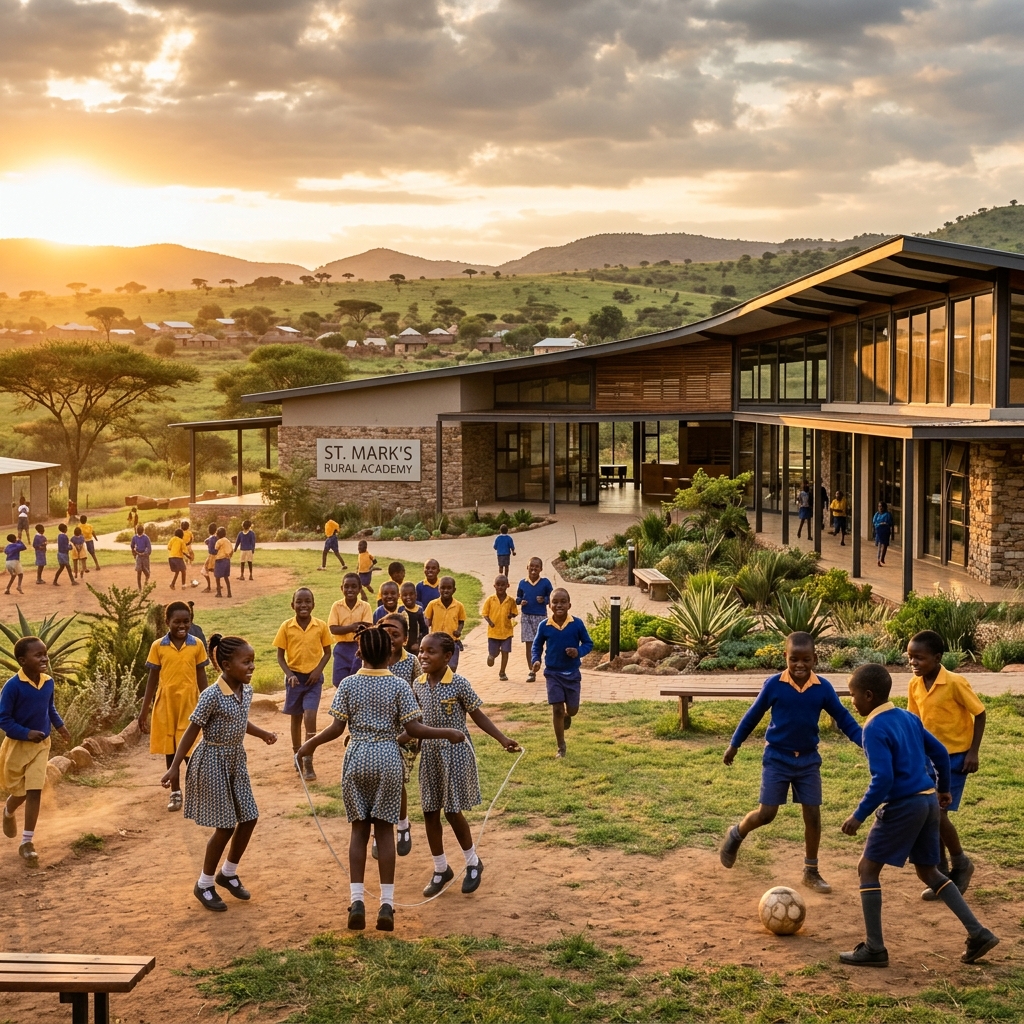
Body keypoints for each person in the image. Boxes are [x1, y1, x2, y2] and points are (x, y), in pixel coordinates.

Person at [296, 624, 464, 932]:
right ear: (389, 652)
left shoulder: (347, 685)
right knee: (385, 832)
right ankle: (387, 905)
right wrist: (449, 732)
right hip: (388, 758)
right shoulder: (400, 685)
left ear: (359, 652)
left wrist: (309, 744)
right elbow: (414, 729)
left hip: (357, 757)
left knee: (359, 832)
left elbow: (335, 729)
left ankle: (357, 900)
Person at [839, 663, 998, 967]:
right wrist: (943, 791)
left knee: (867, 870)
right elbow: (939, 752)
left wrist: (859, 815)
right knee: (930, 872)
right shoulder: (908, 717)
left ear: (869, 695)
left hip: (902, 806)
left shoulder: (873, 728)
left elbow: (883, 779)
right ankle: (978, 933)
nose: (853, 701)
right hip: (927, 802)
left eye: (854, 695)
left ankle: (874, 948)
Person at [720, 631, 863, 893]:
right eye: (793, 659)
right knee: (767, 814)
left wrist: (865, 742)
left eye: (806, 659)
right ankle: (736, 833)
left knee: (813, 815)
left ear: (815, 659)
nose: (800, 665)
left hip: (808, 760)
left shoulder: (823, 688)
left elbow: (844, 718)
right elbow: (752, 716)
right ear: (785, 657)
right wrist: (734, 744)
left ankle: (811, 870)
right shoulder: (774, 685)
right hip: (777, 757)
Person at [163, 634, 277, 911]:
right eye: (246, 662)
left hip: (236, 760)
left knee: (249, 817)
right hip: (212, 760)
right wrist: (175, 765)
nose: (252, 667)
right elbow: (192, 730)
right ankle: (204, 884)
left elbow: (240, 720)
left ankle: (228, 872)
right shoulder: (211, 695)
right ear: (226, 665)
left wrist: (262, 734)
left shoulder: (246, 691)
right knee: (225, 825)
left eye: (253, 661)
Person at [412, 632, 520, 897]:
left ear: (447, 657)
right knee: (428, 811)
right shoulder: (417, 684)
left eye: (431, 652)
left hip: (455, 754)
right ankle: (440, 869)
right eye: (421, 651)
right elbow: (413, 724)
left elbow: (478, 715)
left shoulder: (458, 684)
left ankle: (472, 862)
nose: (423, 656)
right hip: (430, 754)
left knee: (452, 810)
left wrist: (502, 739)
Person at [906, 630, 986, 901]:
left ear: (938, 658)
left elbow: (980, 713)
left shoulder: (954, 683)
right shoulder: (914, 685)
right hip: (927, 758)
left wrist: (973, 752)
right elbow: (915, 723)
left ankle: (961, 863)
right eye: (910, 658)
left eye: (920, 658)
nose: (914, 663)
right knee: (931, 815)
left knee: (938, 814)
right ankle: (940, 875)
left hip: (954, 759)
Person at [0, 636, 71, 867]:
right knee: (19, 791)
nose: (44, 658)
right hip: (18, 746)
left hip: (42, 745)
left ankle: (27, 843)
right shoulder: (12, 687)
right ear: (22, 660)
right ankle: (9, 811)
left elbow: (49, 708)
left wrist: (60, 727)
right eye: (38, 655)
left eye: (45, 654)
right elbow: (3, 718)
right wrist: (25, 732)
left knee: (34, 790)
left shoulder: (48, 682)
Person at [138, 601, 210, 812]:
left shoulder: (196, 644)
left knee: (191, 749)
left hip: (190, 702)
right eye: (176, 622)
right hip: (167, 702)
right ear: (167, 622)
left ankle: (197, 791)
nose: (182, 626)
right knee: (171, 749)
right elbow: (152, 679)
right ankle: (175, 793)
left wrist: (207, 702)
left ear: (191, 621)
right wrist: (144, 710)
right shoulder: (158, 646)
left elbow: (201, 675)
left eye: (186, 621)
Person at [274, 587, 332, 783]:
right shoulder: (286, 626)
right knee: (296, 718)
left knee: (310, 715)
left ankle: (308, 759)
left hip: (313, 680)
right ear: (293, 605)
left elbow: (327, 652)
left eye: (307, 601)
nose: (303, 605)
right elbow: (280, 656)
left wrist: (317, 671)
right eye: (299, 602)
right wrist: (289, 674)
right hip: (295, 680)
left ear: (313, 605)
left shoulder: (321, 626)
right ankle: (297, 754)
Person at [531, 588, 593, 759]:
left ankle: (568, 715)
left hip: (572, 673)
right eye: (555, 602)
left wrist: (578, 651)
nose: (559, 605)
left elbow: (588, 643)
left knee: (572, 710)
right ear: (549, 605)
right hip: (553, 673)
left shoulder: (577, 624)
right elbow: (536, 646)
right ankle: (561, 746)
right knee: (557, 708)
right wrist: (536, 660)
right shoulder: (544, 626)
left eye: (563, 601)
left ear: (569, 604)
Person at [328, 573, 374, 685]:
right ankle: (344, 700)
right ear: (341, 588)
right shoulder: (336, 606)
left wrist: (345, 628)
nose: (350, 589)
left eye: (354, 586)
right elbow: (333, 629)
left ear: (359, 589)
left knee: (357, 679)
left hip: (359, 647)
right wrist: (353, 627)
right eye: (346, 586)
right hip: (341, 648)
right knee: (338, 681)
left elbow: (367, 627)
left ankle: (356, 701)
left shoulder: (365, 606)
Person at [517, 557, 553, 683]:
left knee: (542, 643)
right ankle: (531, 671)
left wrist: (545, 600)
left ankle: (546, 665)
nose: (533, 569)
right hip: (526, 616)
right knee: (529, 643)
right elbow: (518, 597)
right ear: (527, 567)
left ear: (541, 569)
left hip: (540, 617)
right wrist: (520, 602)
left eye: (536, 567)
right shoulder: (522, 583)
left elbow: (552, 596)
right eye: (531, 566)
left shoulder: (545, 583)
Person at [423, 576, 466, 671]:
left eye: (449, 588)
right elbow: (427, 617)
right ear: (439, 589)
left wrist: (459, 630)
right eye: (443, 588)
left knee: (452, 666)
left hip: (452, 641)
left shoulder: (459, 606)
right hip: (436, 641)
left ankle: (450, 682)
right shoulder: (433, 604)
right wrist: (427, 622)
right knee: (436, 665)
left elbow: (461, 621)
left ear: (454, 590)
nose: (445, 590)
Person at [482, 574, 517, 681]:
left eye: (503, 585)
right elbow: (485, 613)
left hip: (507, 631)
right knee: (494, 653)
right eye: (498, 585)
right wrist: (490, 622)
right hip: (494, 633)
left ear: (508, 586)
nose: (500, 587)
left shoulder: (510, 600)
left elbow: (515, 612)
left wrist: (511, 615)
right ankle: (491, 656)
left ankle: (502, 672)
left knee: (505, 652)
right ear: (494, 586)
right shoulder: (490, 600)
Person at [399, 581, 428, 654]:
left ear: (416, 595)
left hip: (415, 648)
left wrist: (418, 643)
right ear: (400, 597)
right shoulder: (400, 610)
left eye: (411, 594)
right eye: (405, 595)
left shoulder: (419, 611)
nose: (408, 597)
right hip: (403, 647)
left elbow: (424, 630)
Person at [213, 526, 233, 598]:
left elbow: (215, 550)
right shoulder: (228, 541)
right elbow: (232, 550)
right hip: (227, 560)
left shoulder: (219, 541)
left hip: (219, 560)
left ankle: (219, 593)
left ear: (218, 535)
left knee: (217, 577)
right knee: (226, 577)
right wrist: (229, 556)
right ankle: (229, 593)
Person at [131, 524, 152, 591]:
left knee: (147, 573)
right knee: (139, 572)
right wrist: (135, 553)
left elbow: (149, 548)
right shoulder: (135, 538)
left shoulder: (146, 538)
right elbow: (132, 546)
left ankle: (145, 583)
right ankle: (140, 588)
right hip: (139, 556)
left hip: (145, 556)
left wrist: (144, 553)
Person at [873, 501, 894, 567]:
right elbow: (874, 522)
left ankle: (882, 558)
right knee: (879, 545)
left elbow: (891, 523)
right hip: (879, 531)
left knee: (885, 545)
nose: (880, 508)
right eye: (879, 506)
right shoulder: (877, 514)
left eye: (881, 506)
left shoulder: (888, 514)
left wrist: (886, 524)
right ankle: (878, 560)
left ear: (884, 507)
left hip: (885, 531)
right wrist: (879, 524)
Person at [53, 523, 75, 587]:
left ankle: (55, 580)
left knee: (61, 567)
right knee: (68, 567)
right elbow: (66, 547)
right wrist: (70, 547)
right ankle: (72, 581)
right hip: (64, 554)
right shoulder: (65, 536)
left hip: (59, 553)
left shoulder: (59, 536)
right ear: (65, 529)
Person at [201, 523, 218, 592]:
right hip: (217, 557)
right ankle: (218, 585)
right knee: (215, 571)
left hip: (211, 556)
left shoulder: (211, 539)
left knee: (204, 571)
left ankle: (209, 587)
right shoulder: (217, 538)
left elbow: (211, 550)